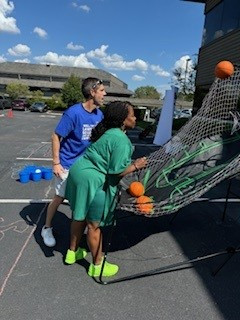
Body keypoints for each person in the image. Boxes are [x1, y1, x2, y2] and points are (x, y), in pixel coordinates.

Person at [64, 101, 147, 277]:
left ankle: (73, 252)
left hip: (78, 173)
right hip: (93, 180)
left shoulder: (107, 132)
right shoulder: (121, 139)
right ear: (123, 120)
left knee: (79, 216)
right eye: (132, 115)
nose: (135, 118)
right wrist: (136, 166)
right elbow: (116, 172)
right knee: (94, 225)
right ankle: (97, 265)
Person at [41, 78, 106, 247]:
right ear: (92, 92)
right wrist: (56, 162)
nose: (104, 94)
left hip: (86, 166)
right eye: (102, 91)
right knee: (60, 197)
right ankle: (46, 227)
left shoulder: (100, 115)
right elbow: (56, 136)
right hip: (67, 164)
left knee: (83, 200)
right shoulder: (73, 113)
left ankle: (79, 234)